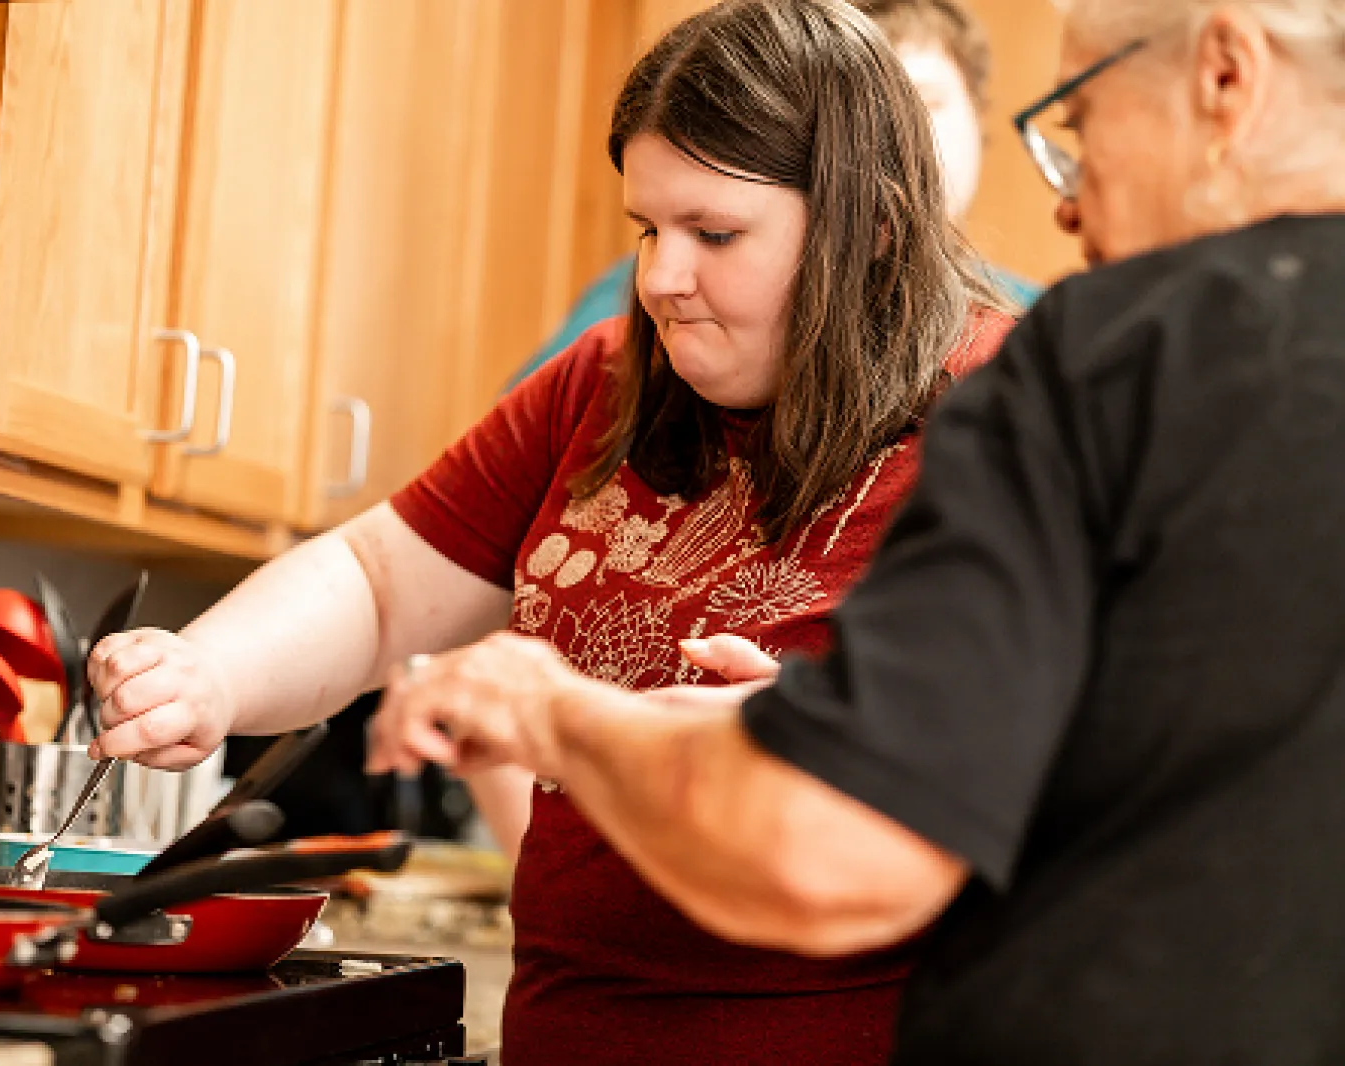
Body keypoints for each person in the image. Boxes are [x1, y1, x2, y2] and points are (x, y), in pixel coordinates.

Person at [372, 0, 1345, 1062]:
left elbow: (836, 849)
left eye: (1080, 116)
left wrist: (555, 715)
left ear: (1225, 75)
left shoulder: (1106, 359)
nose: (1065, 205)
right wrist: (829, 716)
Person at [86, 1, 1013, 1061]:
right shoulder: (606, 380)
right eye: (648, 229)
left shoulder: (1008, 415)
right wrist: (209, 673)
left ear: (874, 224)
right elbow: (380, 580)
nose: (663, 277)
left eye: (714, 233)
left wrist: (817, 735)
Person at [510, 0, 1038, 389]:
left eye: (923, 101)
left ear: (978, 110)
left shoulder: (1037, 337)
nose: (889, 144)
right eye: (852, 120)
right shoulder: (624, 317)